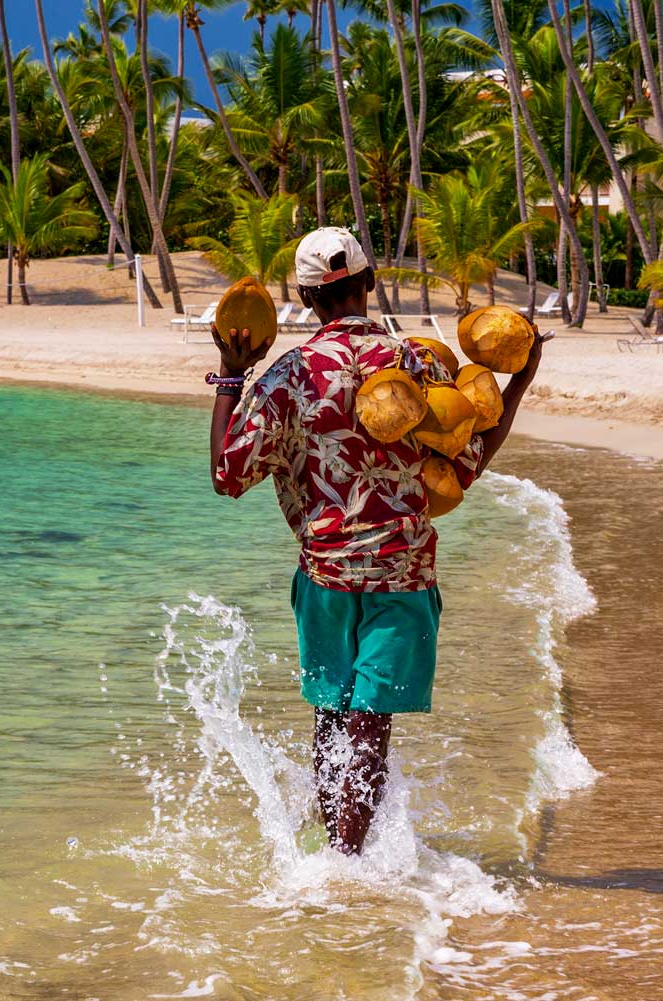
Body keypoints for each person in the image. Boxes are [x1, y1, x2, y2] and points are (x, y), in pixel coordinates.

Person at [207, 227, 546, 855]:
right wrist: (518, 384)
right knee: (368, 725)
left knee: (333, 717)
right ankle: (348, 867)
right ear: (369, 282)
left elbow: (228, 475)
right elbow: (465, 464)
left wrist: (232, 378)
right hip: (404, 574)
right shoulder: (415, 363)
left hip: (324, 574)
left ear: (308, 298)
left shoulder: (287, 377)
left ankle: (333, 862)